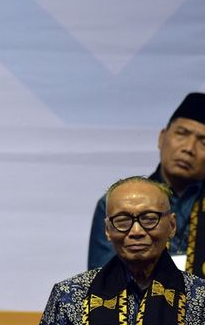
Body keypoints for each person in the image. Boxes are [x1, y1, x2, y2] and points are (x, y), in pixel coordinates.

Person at [41, 176, 205, 325]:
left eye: (149, 218)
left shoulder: (199, 296)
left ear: (172, 225)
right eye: (123, 220)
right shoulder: (69, 296)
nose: (136, 231)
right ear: (107, 230)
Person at [88, 93, 205, 274]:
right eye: (182, 134)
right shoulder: (117, 204)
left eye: (203, 142)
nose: (189, 149)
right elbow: (103, 280)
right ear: (162, 137)